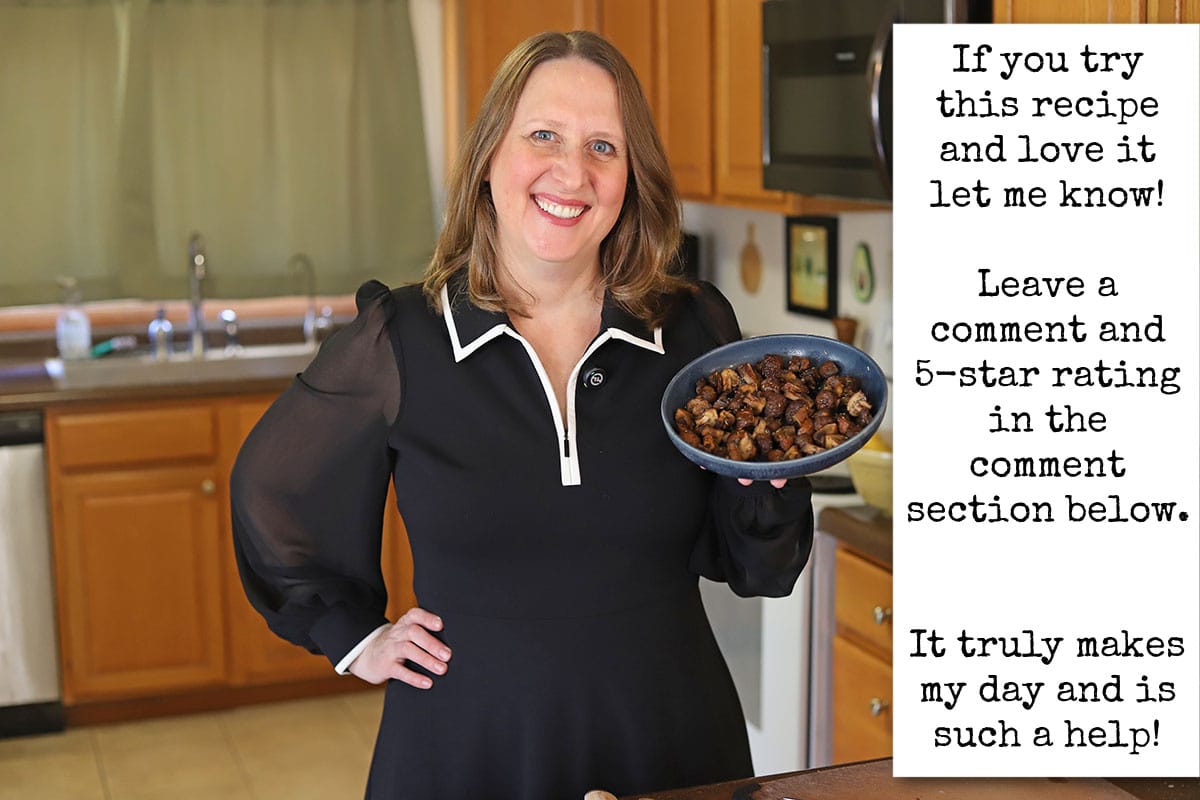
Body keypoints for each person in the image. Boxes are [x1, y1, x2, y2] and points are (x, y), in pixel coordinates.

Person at [230, 29, 814, 800]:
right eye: (544, 135)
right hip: (465, 745)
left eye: (604, 146)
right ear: (489, 157)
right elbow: (270, 492)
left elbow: (761, 571)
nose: (572, 173)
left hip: (671, 739)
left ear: (630, 175)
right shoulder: (403, 338)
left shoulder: (694, 329)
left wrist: (770, 478)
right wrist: (355, 637)